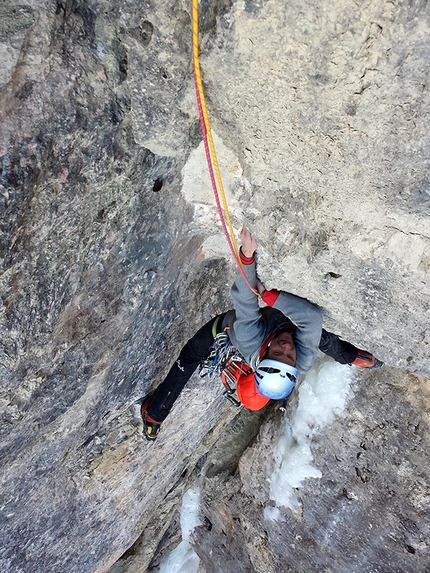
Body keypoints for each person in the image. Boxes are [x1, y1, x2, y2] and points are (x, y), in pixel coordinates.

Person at [141, 226, 383, 440]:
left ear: (265, 352)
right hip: (281, 322)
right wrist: (270, 297)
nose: (287, 347)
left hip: (228, 330)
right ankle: (353, 356)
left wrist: (247, 256)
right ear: (294, 366)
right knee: (320, 337)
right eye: (289, 357)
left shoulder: (249, 338)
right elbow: (311, 319)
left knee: (190, 357)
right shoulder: (303, 360)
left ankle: (155, 415)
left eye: (278, 352)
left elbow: (245, 300)